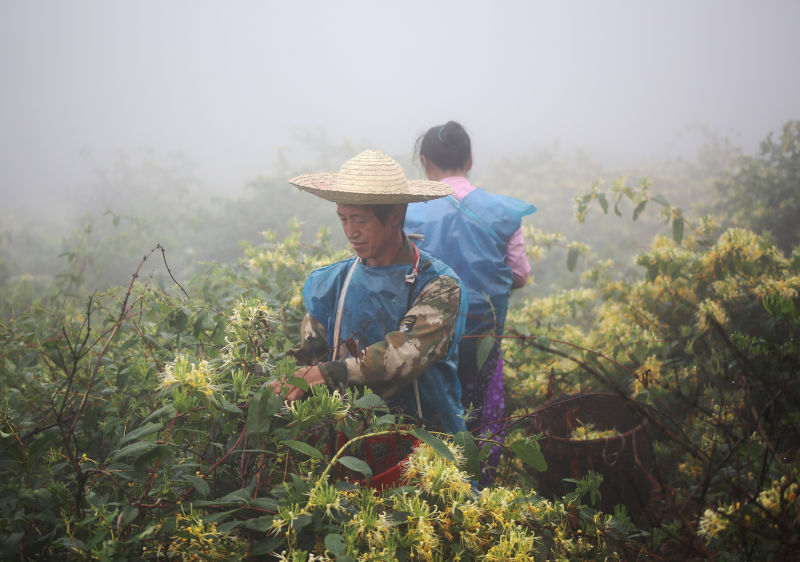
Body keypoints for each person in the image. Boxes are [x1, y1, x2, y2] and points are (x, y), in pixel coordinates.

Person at [269, 149, 468, 435]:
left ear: (395, 216)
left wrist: (328, 374)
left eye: (360, 220)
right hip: (349, 435)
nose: (351, 232)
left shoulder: (439, 286)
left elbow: (403, 355)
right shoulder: (333, 281)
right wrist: (281, 376)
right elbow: (311, 351)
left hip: (424, 436)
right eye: (343, 219)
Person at [404, 121, 536, 448]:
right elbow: (519, 275)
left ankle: (429, 480)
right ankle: (478, 483)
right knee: (476, 414)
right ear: (470, 161)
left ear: (424, 162)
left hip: (424, 337)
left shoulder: (407, 212)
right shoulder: (504, 213)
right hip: (483, 335)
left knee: (424, 414)